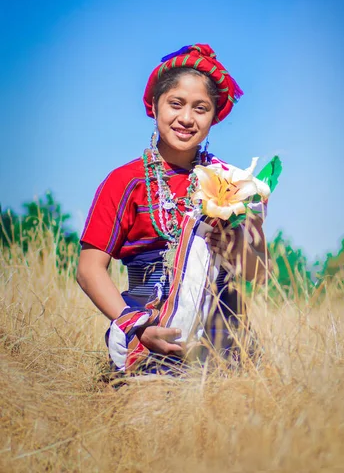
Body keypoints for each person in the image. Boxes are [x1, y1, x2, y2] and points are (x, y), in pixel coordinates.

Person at [77, 43, 267, 375]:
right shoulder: (126, 181)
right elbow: (89, 269)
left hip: (226, 346)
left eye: (201, 108)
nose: (186, 118)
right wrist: (135, 325)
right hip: (149, 336)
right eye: (175, 104)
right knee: (149, 418)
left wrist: (236, 249)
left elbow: (257, 272)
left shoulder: (234, 184)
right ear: (154, 105)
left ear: (214, 117)